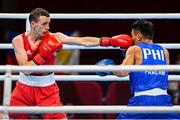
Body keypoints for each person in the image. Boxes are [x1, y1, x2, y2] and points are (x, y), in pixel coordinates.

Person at [9, 8, 133, 119]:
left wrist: (108, 41)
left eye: (49, 23)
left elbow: (82, 41)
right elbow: (25, 69)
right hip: (23, 87)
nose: (48, 27)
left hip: (47, 88)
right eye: (44, 24)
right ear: (33, 24)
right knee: (8, 116)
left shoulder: (54, 37)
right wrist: (43, 54)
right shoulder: (18, 40)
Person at [96, 19, 180, 119]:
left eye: (132, 35)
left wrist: (109, 67)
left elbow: (123, 72)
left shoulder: (135, 49)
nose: (131, 39)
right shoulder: (164, 51)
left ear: (138, 36)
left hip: (142, 100)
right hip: (164, 100)